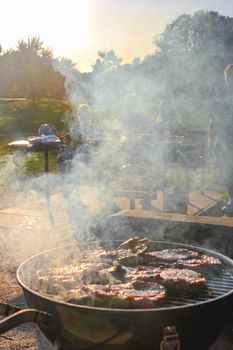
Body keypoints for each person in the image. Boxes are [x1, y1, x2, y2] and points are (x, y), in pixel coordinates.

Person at [208, 64, 233, 216]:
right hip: (224, 143)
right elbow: (213, 124)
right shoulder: (219, 101)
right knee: (226, 174)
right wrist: (211, 143)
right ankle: (232, 200)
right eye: (229, 76)